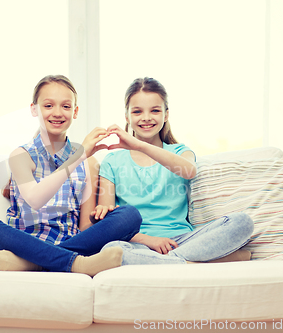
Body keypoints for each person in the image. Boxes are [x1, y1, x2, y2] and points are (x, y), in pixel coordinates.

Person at [0, 75, 141, 276]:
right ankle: (76, 264)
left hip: (70, 242)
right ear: (34, 109)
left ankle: (33, 264)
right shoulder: (21, 156)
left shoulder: (89, 164)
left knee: (129, 216)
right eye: (48, 106)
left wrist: (102, 215)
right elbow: (35, 199)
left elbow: (84, 226)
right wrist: (78, 155)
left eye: (66, 107)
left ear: (75, 112)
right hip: (22, 244)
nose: (57, 113)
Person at [98, 77, 254, 265]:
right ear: (127, 117)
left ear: (166, 114)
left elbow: (189, 171)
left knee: (242, 222)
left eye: (155, 110)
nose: (146, 117)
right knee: (111, 250)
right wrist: (150, 241)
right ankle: (189, 264)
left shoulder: (180, 152)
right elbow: (107, 222)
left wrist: (140, 145)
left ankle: (167, 262)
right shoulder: (112, 161)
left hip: (183, 241)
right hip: (138, 242)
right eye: (137, 111)